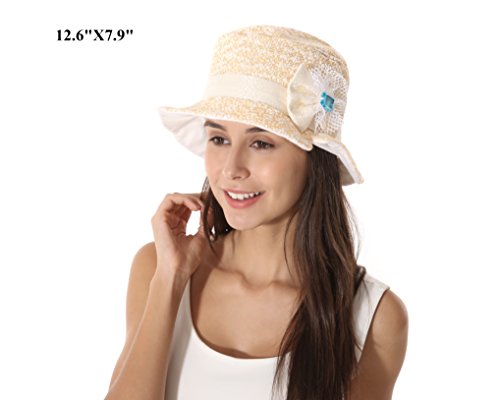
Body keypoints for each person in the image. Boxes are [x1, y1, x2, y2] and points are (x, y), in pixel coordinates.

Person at [104, 25, 408, 400]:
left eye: (261, 143)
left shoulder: (374, 318)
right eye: (219, 138)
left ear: (315, 161)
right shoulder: (156, 268)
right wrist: (171, 278)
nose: (231, 168)